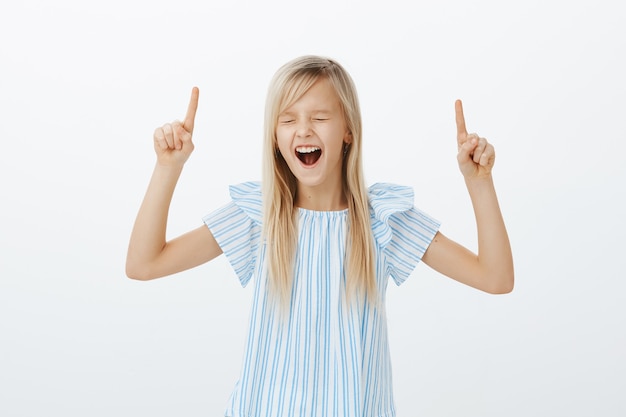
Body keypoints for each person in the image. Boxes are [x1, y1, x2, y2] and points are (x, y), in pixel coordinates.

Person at [126, 55, 514, 417]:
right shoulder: (261, 217)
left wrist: (479, 183)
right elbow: (144, 264)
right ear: (274, 136)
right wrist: (167, 168)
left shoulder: (383, 220)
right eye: (288, 118)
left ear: (348, 131)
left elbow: (495, 278)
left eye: (320, 117)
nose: (303, 130)